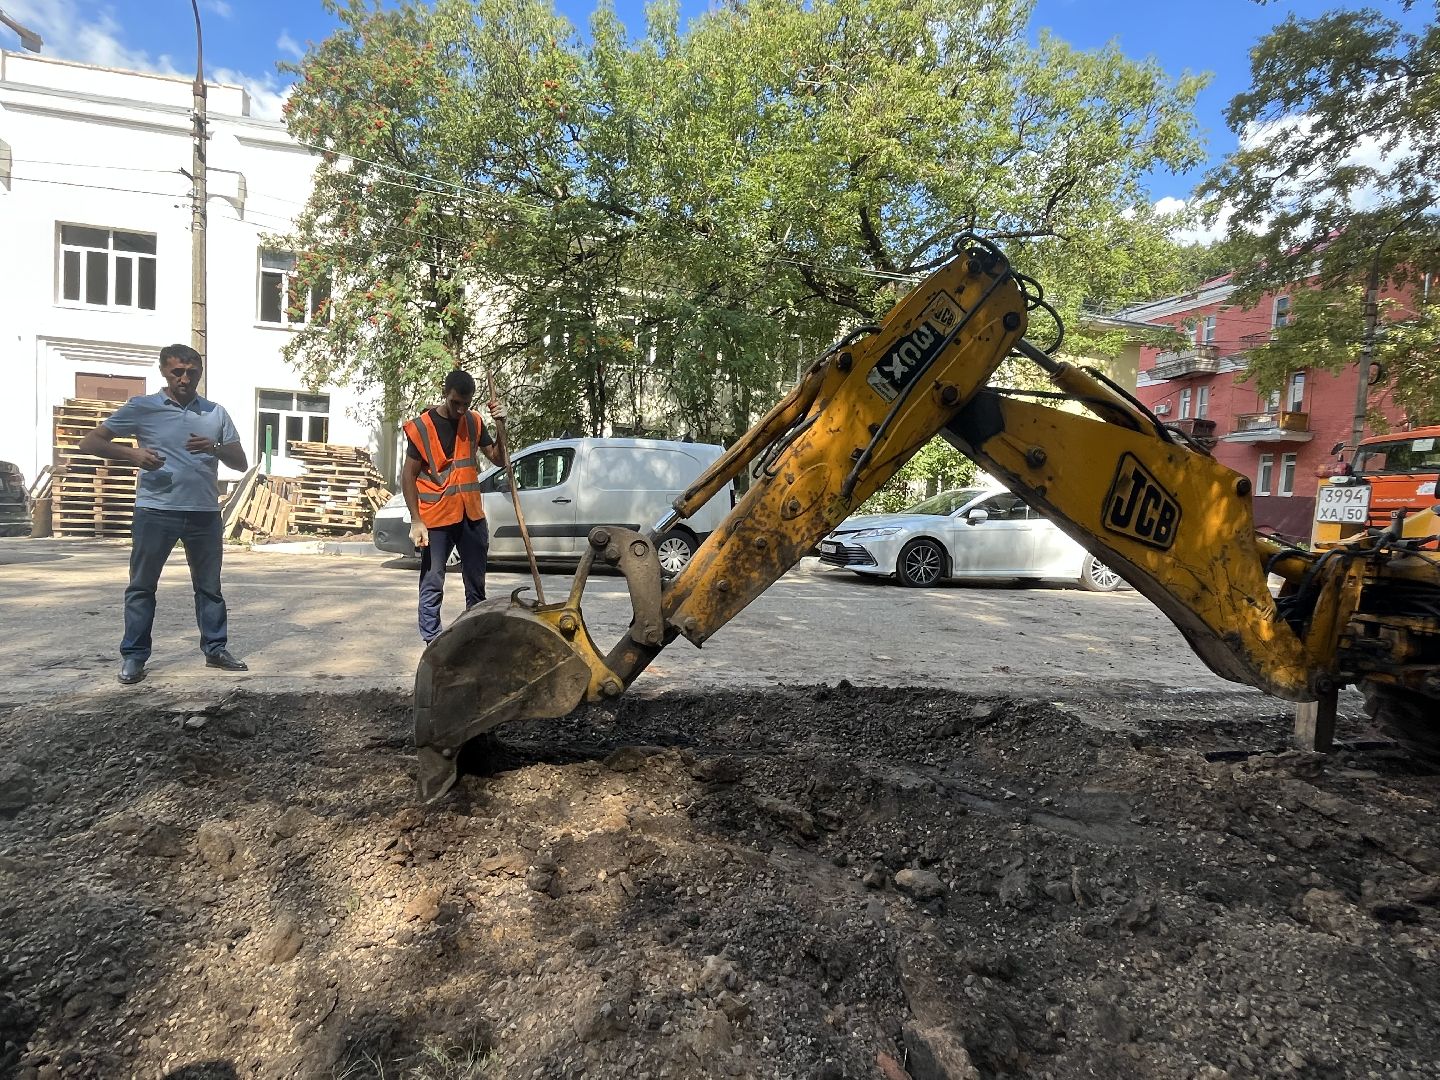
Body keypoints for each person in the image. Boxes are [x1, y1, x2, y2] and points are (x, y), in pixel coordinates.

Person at [78, 344, 250, 684]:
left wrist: (214, 447)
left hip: (203, 513)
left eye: (192, 372)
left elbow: (240, 462)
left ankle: (215, 650)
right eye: (177, 372)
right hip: (156, 511)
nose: (185, 378)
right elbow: (91, 443)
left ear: (200, 373)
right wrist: (134, 455)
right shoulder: (143, 408)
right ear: (164, 372)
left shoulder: (216, 413)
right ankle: (134, 656)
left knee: (209, 587)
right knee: (142, 586)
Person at [402, 369, 508, 644]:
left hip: (470, 514)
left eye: (466, 403)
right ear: (445, 394)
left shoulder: (473, 421)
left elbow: (499, 460)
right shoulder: (422, 428)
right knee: (433, 581)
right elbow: (408, 477)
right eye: (455, 403)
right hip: (436, 517)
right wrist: (416, 520)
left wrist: (501, 425)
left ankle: (474, 642)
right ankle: (432, 643)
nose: (461, 409)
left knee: (476, 584)